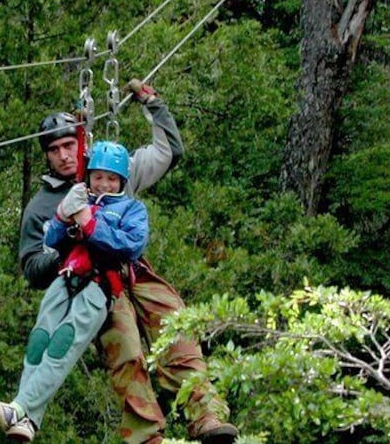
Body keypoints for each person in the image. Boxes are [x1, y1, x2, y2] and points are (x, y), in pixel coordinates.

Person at [16, 80, 238, 444]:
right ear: (47, 155)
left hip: (132, 268)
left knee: (177, 331)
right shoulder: (42, 208)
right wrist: (66, 241)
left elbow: (168, 153)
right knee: (126, 354)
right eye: (55, 149)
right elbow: (32, 269)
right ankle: (147, 436)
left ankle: (207, 416)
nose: (64, 155)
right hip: (91, 284)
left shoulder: (110, 173)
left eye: (70, 145)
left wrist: (153, 105)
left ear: (81, 143)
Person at [0, 141, 149, 442]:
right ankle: (27, 419)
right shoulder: (81, 198)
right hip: (66, 276)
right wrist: (63, 215)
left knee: (63, 343)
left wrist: (89, 224)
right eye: (98, 176)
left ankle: (20, 408)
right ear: (90, 176)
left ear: (121, 182)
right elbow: (53, 240)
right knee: (39, 341)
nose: (104, 183)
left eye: (111, 179)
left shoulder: (131, 209)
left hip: (99, 284)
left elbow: (130, 246)